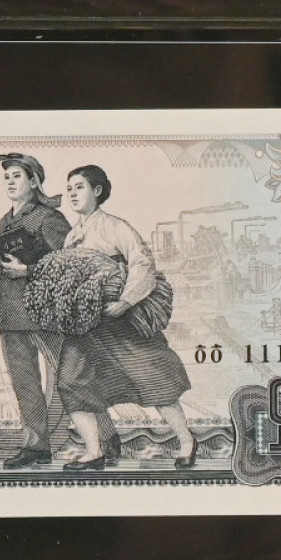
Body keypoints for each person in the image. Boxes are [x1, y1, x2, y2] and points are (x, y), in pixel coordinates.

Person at [55, 164, 196, 470]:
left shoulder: (115, 227)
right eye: (69, 189)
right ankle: (93, 452)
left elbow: (142, 263)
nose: (73, 194)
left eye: (79, 187)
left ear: (97, 191)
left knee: (155, 379)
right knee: (71, 381)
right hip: (86, 326)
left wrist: (125, 301)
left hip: (121, 321)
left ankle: (186, 441)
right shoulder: (72, 236)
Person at [0, 153, 72, 468]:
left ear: (34, 181)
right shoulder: (6, 219)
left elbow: (69, 265)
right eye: (7, 177)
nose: (10, 182)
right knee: (25, 385)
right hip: (11, 317)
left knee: (72, 379)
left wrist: (28, 271)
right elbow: (2, 268)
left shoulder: (48, 218)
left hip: (44, 315)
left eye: (17, 176)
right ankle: (37, 448)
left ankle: (107, 441)